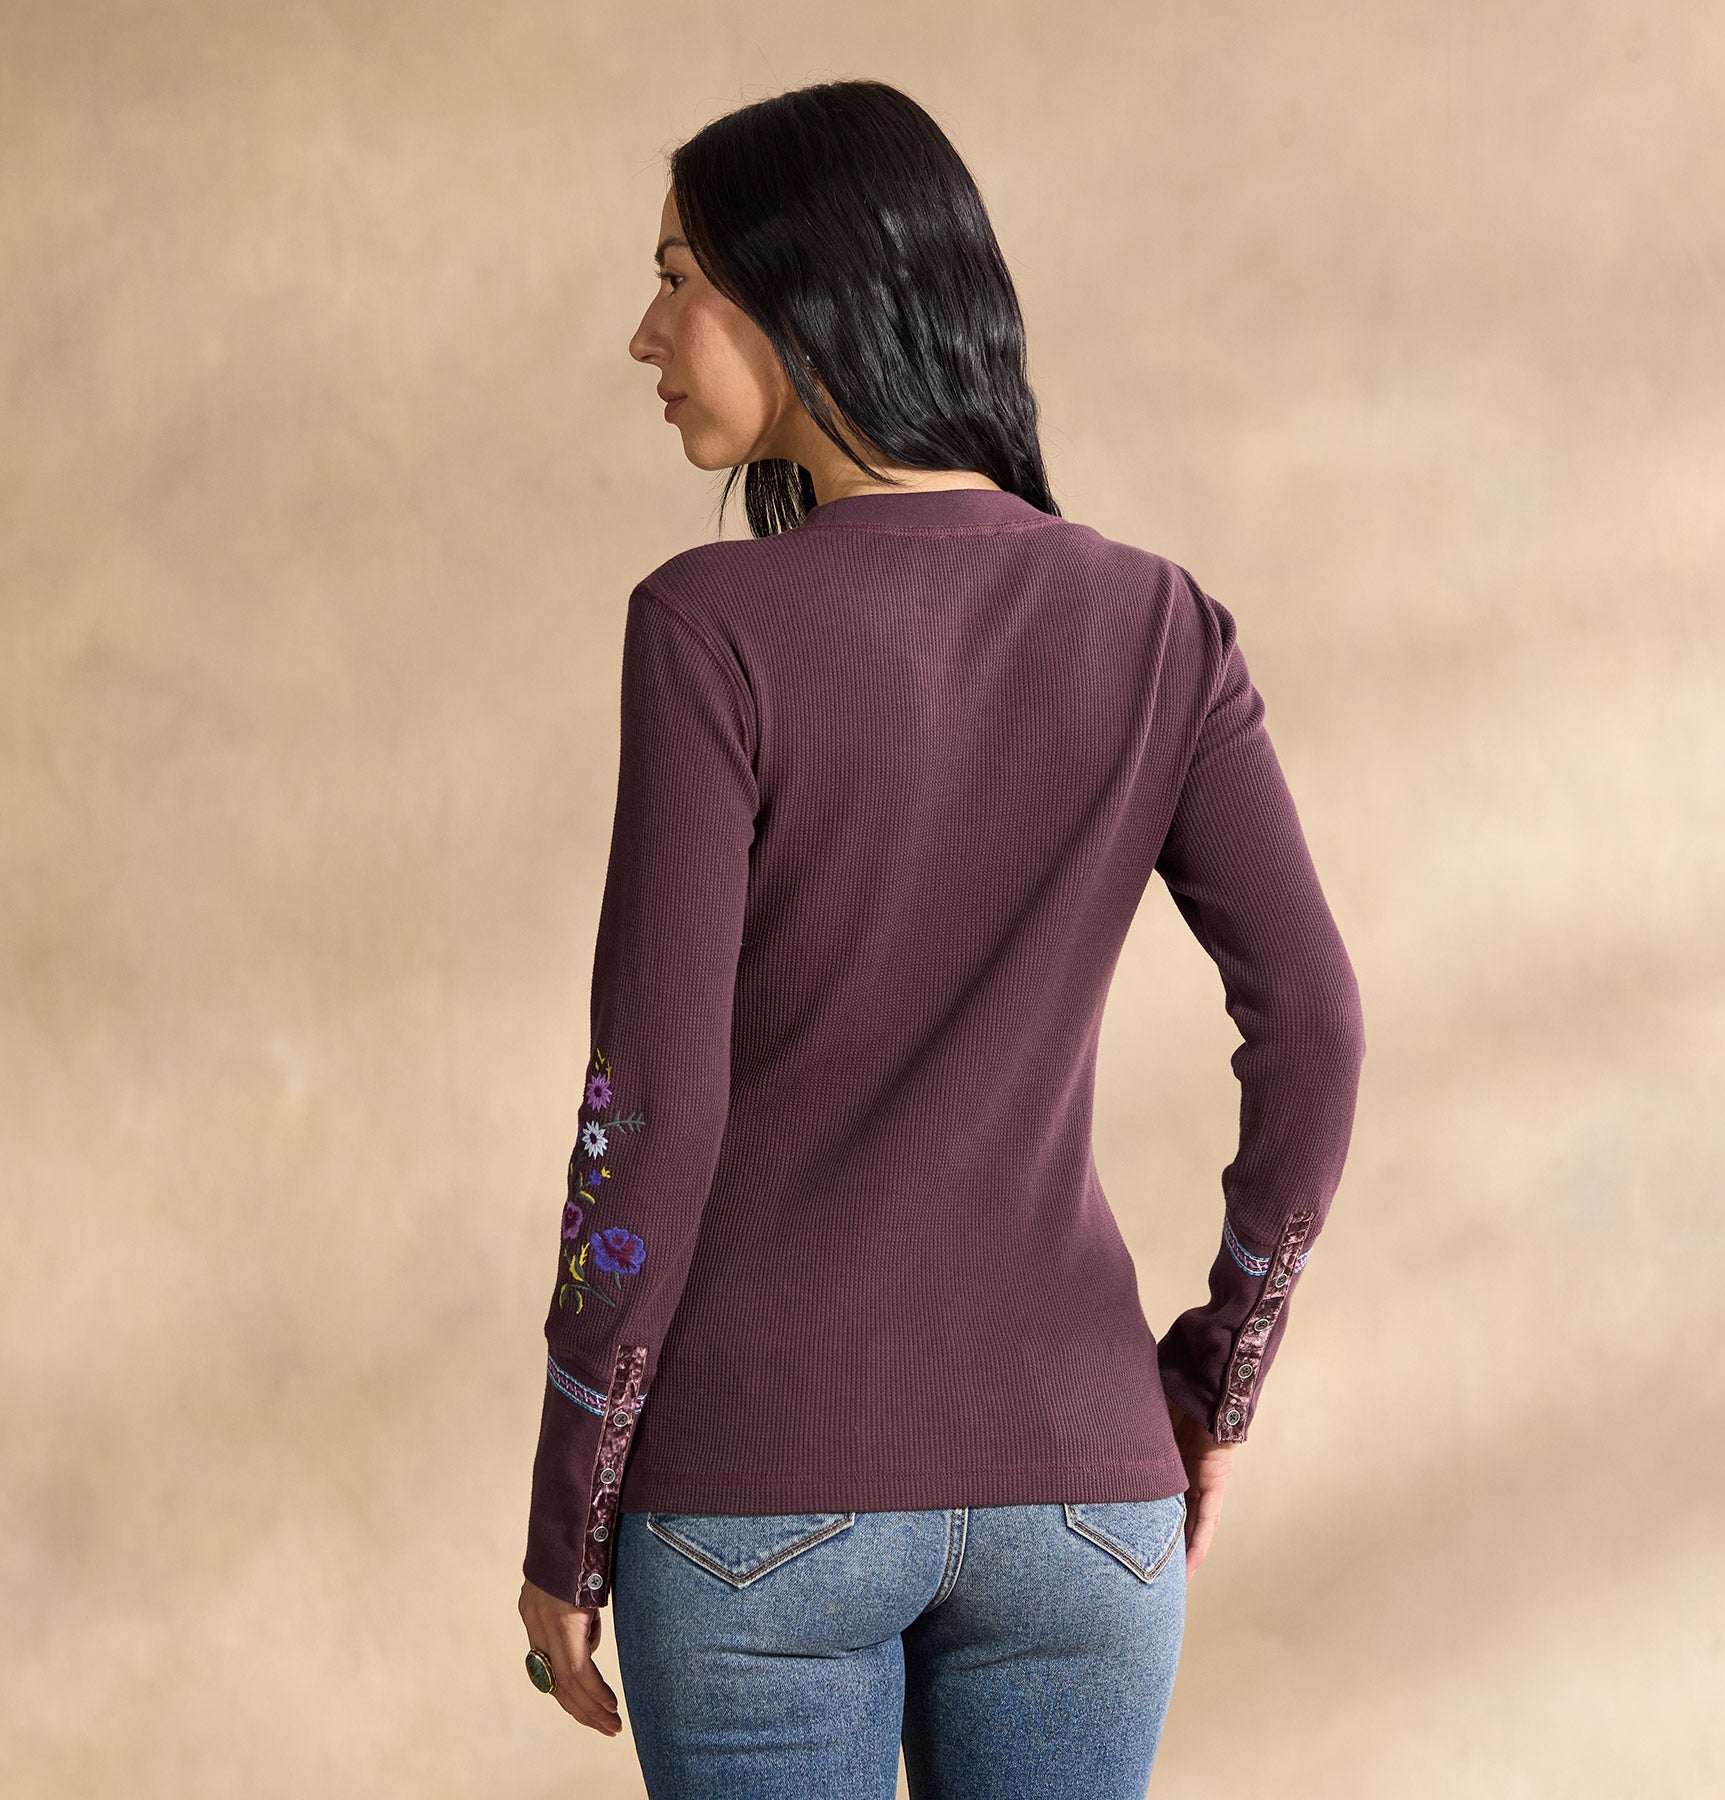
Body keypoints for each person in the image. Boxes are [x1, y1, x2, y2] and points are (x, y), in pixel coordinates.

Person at [515, 78, 1365, 1800]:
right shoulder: (1160, 625)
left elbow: (651, 1101)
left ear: (804, 290)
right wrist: (1216, 1380)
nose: (645, 335)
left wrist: (569, 1499)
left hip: (763, 1484)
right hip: (1088, 1490)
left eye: (678, 279)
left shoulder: (710, 625)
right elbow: (1320, 1027)